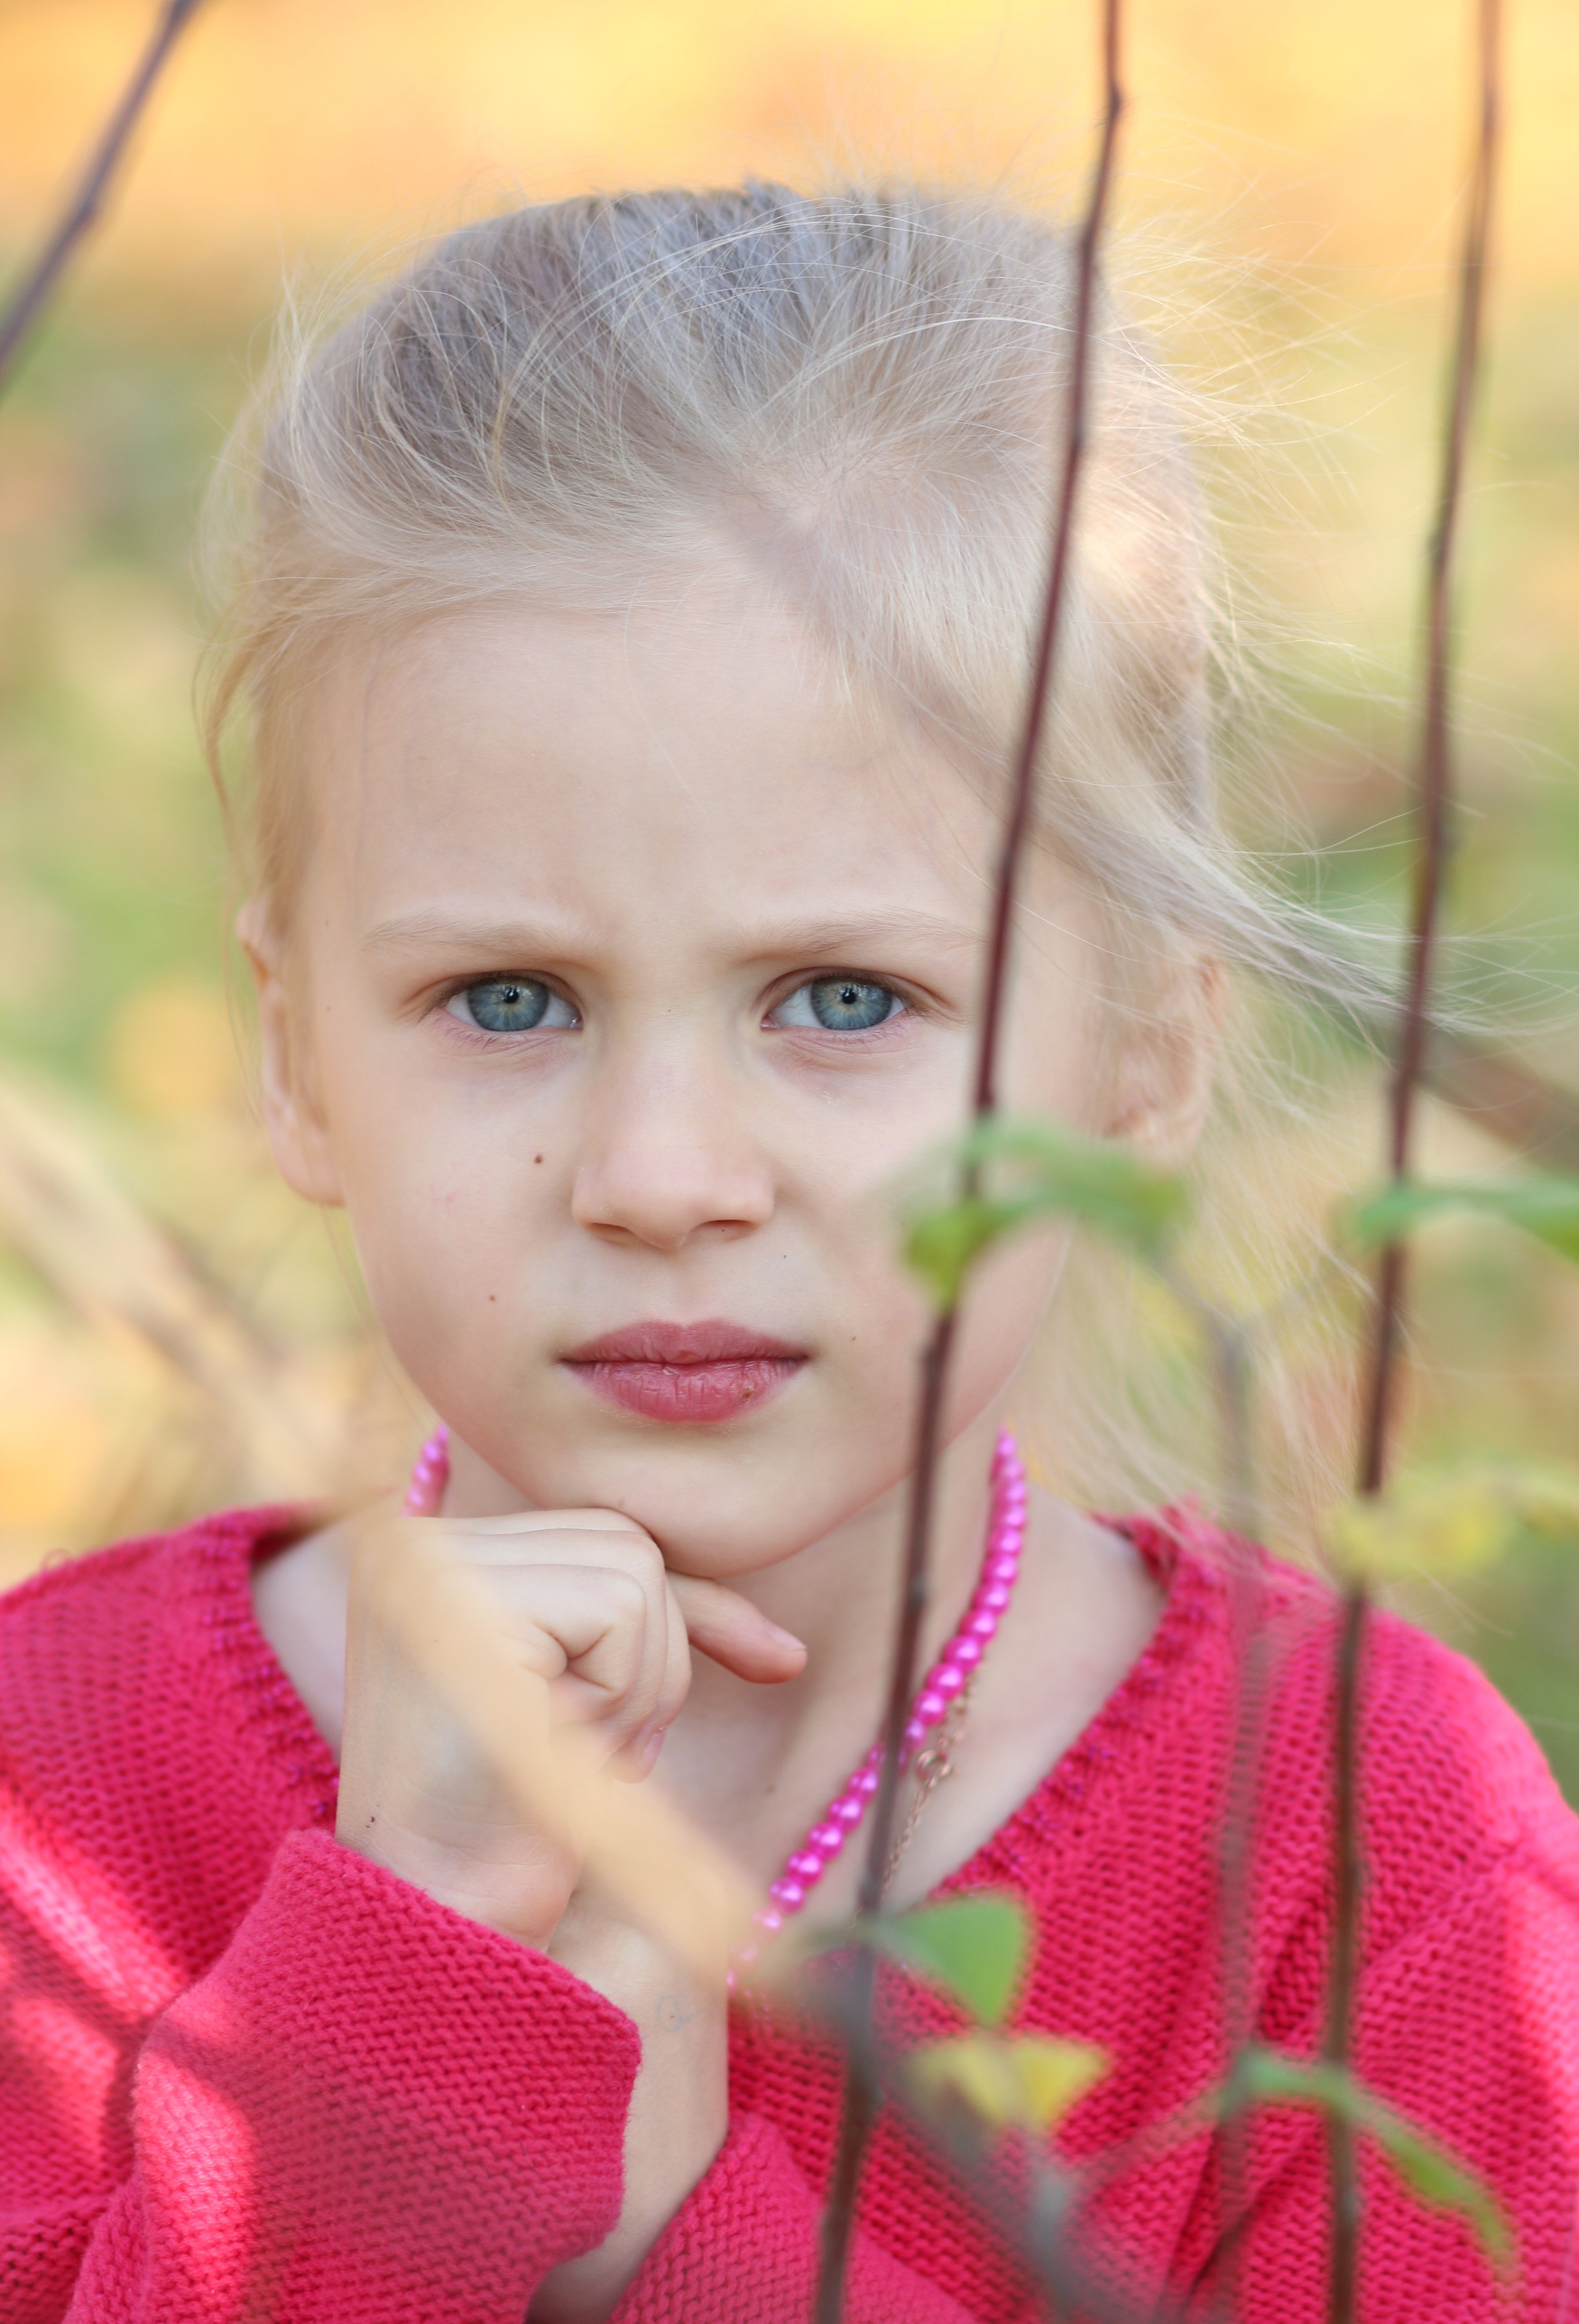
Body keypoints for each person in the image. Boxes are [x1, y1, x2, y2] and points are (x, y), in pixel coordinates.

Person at [1, 184, 1575, 2324]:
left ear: (1144, 1045)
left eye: (844, 998)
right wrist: (399, 1992)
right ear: (297, 1060)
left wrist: (681, 2238)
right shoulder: (51, 1797)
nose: (662, 1175)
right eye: (509, 999)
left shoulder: (1359, 1849)